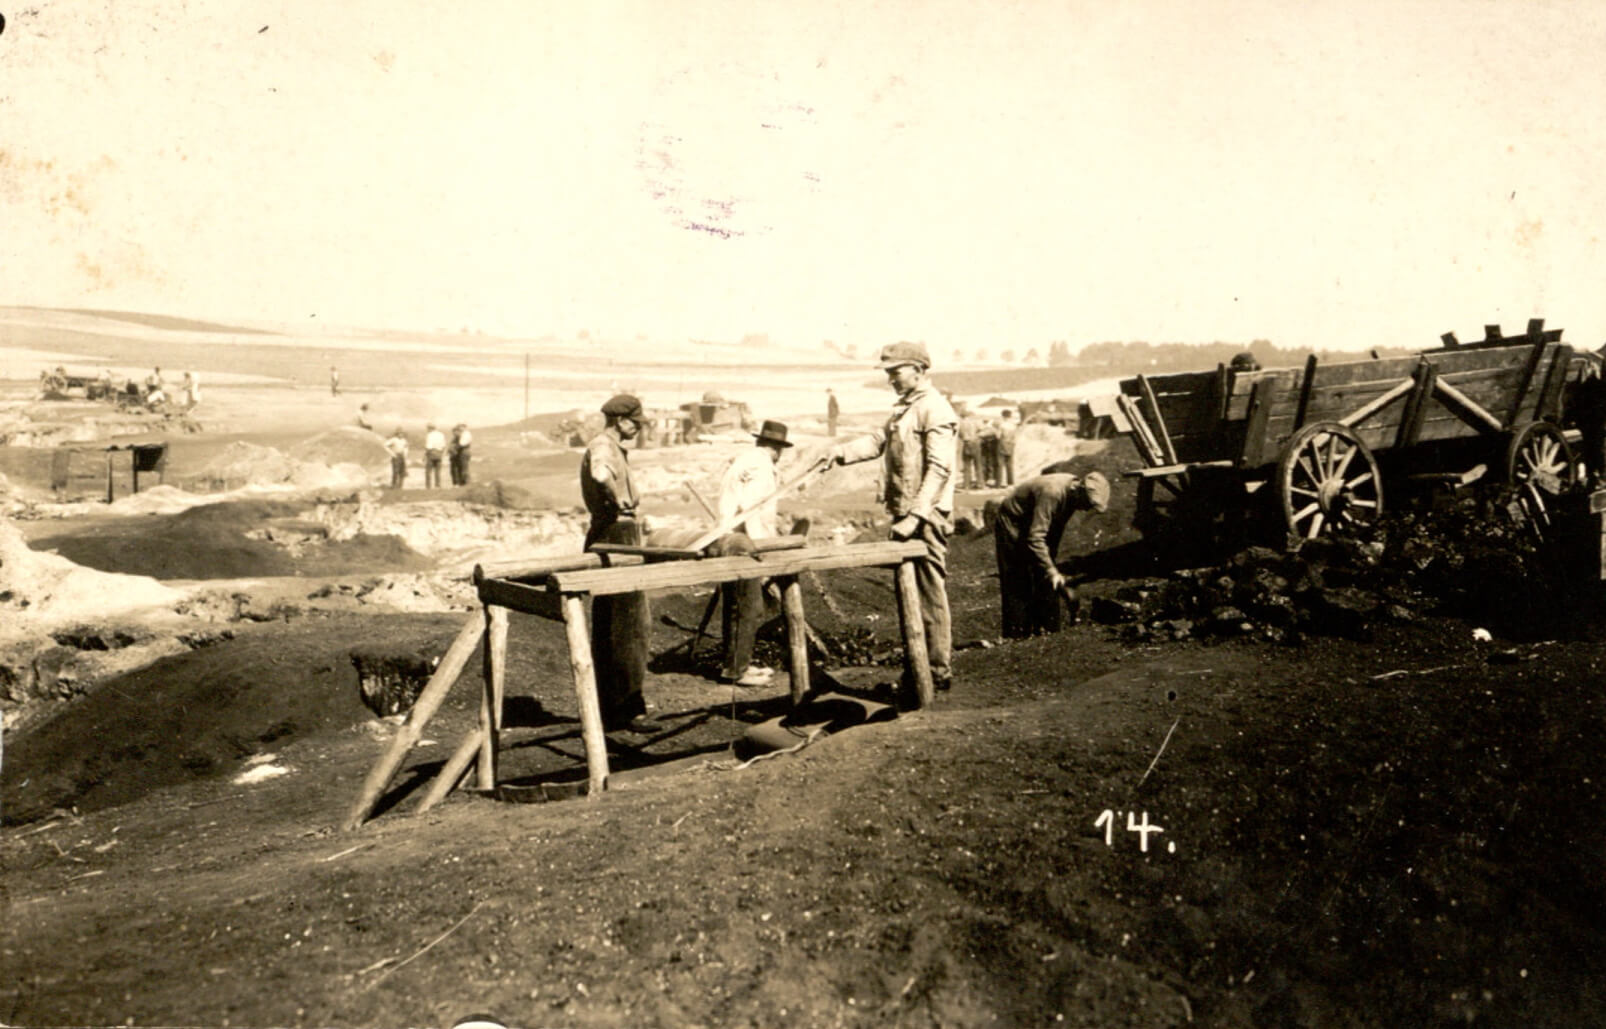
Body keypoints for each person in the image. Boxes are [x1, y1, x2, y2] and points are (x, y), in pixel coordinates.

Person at [829, 341, 958, 695]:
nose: (891, 379)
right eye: (888, 372)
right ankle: (917, 670)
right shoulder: (905, 410)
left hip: (925, 516)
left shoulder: (935, 410)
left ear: (919, 370)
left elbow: (939, 469)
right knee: (908, 591)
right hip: (906, 514)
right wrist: (838, 453)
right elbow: (876, 441)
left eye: (896, 371)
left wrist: (916, 518)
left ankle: (935, 669)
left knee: (929, 593)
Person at [580, 394, 655, 732]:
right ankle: (627, 709)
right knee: (630, 626)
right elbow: (599, 474)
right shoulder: (604, 446)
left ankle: (609, 707)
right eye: (635, 424)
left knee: (612, 625)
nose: (638, 429)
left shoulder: (610, 445)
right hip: (617, 535)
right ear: (620, 421)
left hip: (611, 533)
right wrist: (618, 498)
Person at [710, 420, 792, 687]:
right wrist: (763, 550)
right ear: (778, 449)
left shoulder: (745, 460)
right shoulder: (762, 468)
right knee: (748, 607)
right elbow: (752, 509)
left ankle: (735, 664)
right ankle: (736, 670)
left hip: (730, 537)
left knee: (738, 605)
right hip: (744, 542)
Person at [993, 471, 1110, 638]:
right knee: (1017, 576)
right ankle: (1017, 634)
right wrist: (1051, 570)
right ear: (1080, 491)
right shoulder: (1053, 493)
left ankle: (1048, 629)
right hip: (1013, 521)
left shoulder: (1072, 495)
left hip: (1033, 518)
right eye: (1088, 504)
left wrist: (1049, 563)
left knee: (1044, 574)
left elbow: (1056, 528)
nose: (1086, 509)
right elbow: (1036, 538)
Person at [957, 406, 983, 489]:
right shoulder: (975, 421)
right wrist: (977, 436)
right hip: (975, 443)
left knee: (967, 465)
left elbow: (959, 435)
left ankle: (966, 484)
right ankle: (980, 484)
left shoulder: (961, 423)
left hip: (966, 443)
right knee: (978, 464)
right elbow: (982, 429)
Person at [996, 409, 1018, 487]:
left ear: (1003, 416)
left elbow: (998, 436)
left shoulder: (1001, 425)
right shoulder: (1013, 425)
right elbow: (1015, 438)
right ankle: (1011, 483)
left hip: (1002, 444)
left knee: (1000, 464)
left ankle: (999, 483)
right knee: (1010, 465)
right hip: (1011, 445)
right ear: (1010, 416)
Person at [423, 423, 447, 488]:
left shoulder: (429, 435)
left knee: (428, 471)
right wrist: (442, 454)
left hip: (431, 453)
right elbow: (444, 446)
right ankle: (438, 485)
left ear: (430, 428)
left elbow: (428, 446)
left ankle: (428, 486)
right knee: (438, 471)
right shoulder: (441, 434)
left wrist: (424, 456)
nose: (427, 430)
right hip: (439, 453)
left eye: (428, 428)